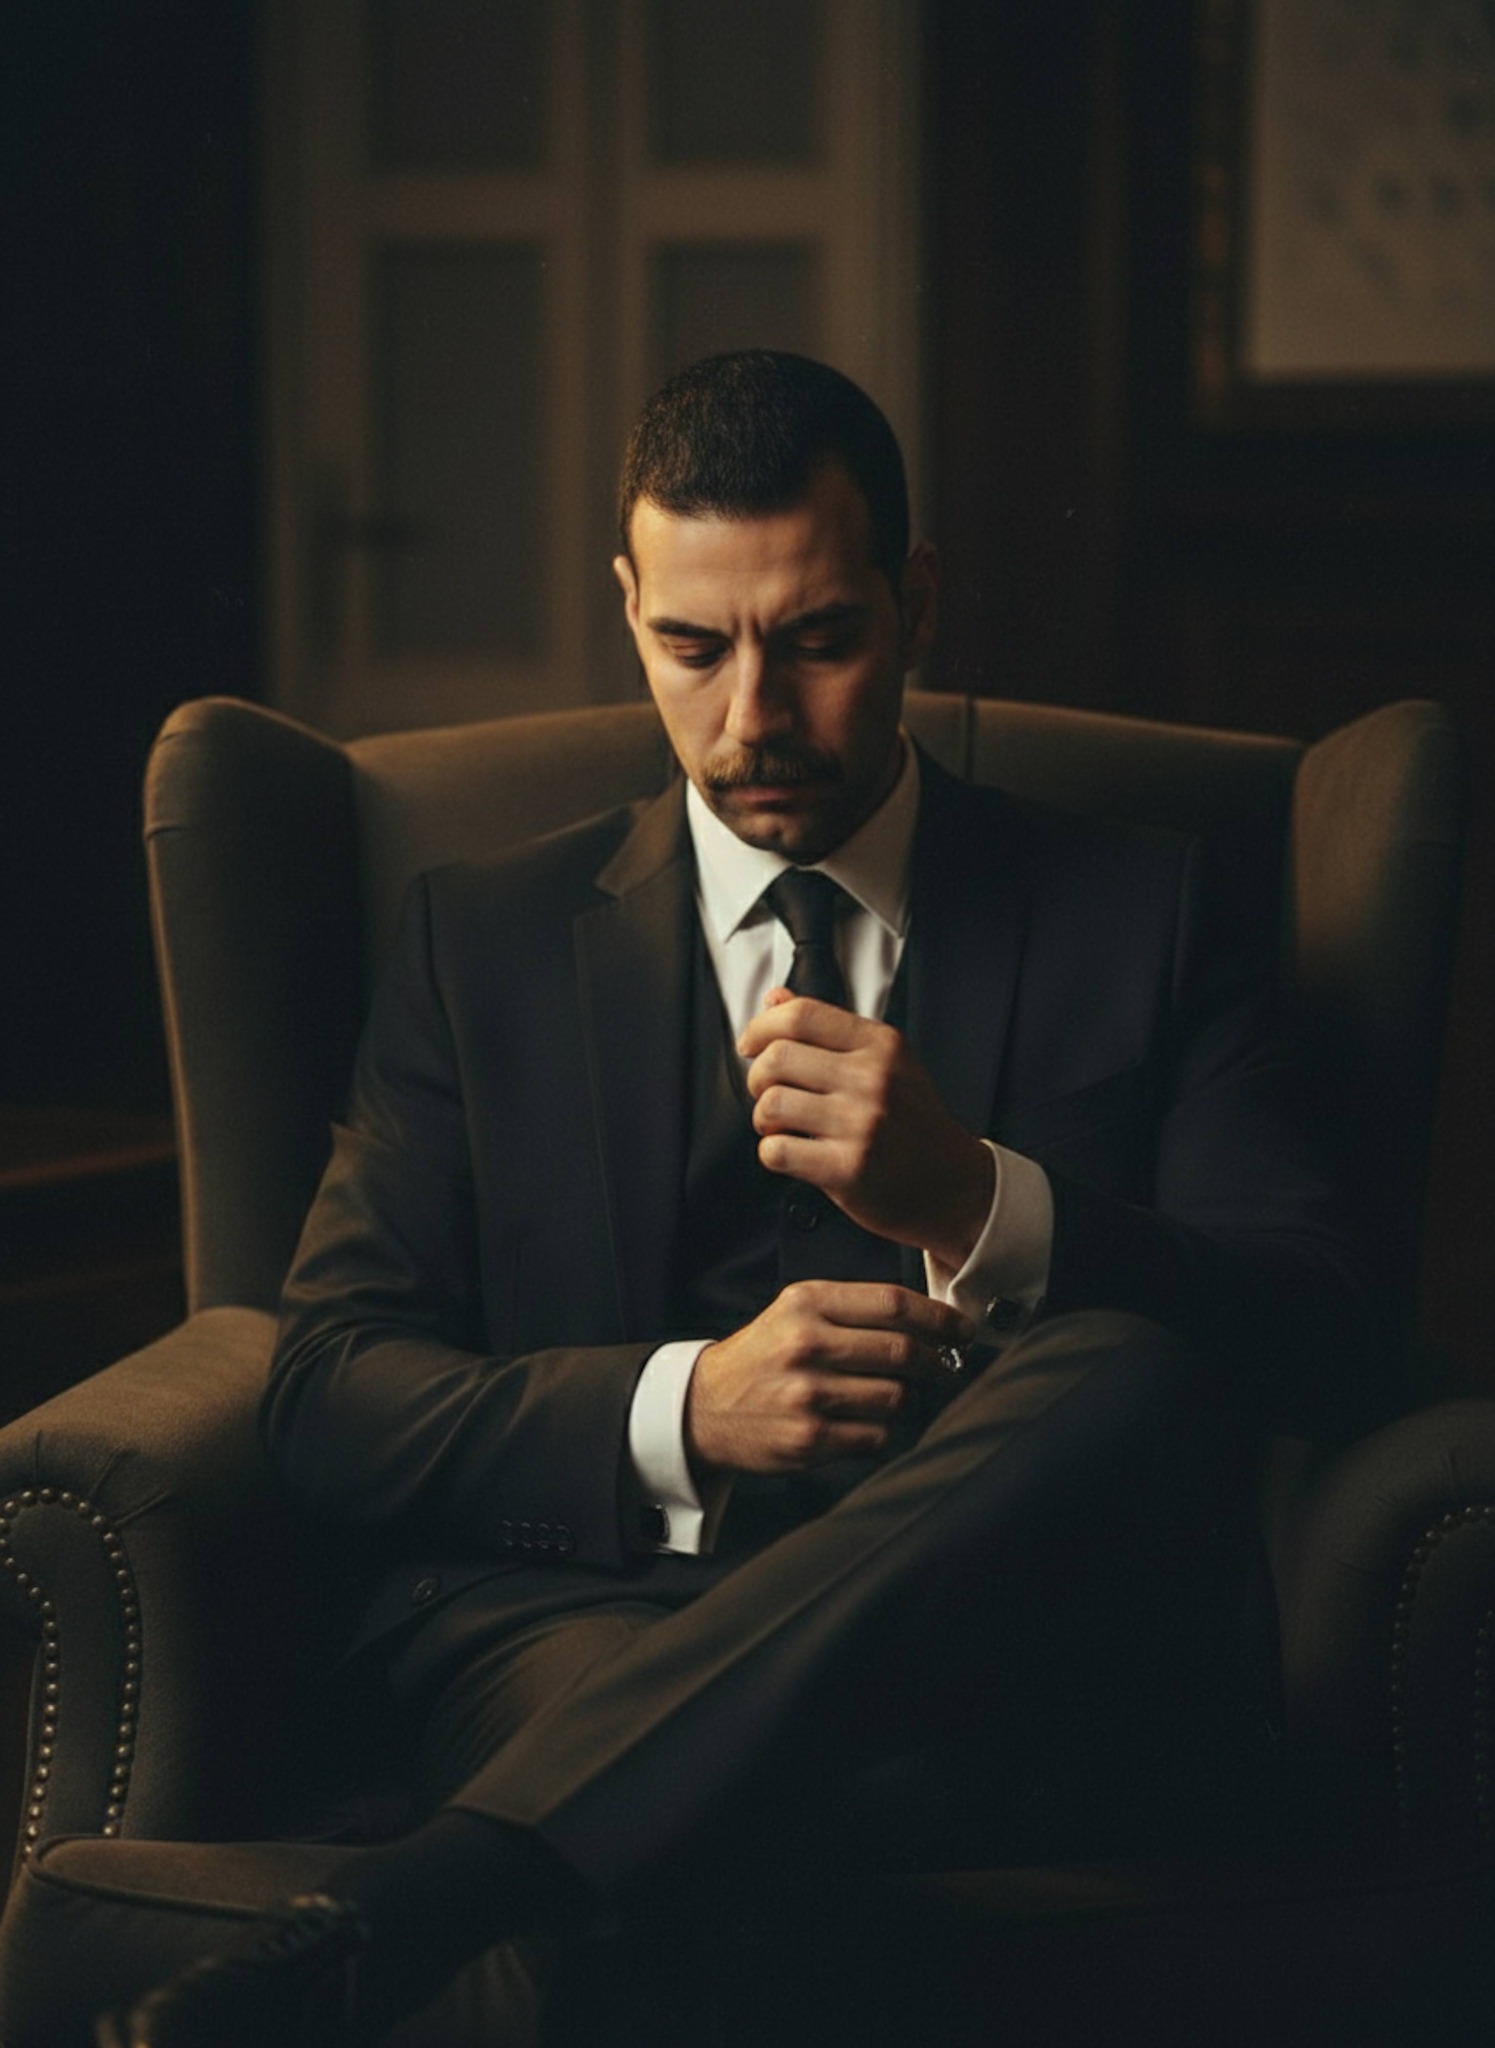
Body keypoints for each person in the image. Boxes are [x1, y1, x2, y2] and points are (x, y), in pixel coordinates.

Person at [105, 352, 1378, 2047]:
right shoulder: (475, 942)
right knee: (710, 1841)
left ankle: (420, 1902)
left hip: (1003, 1652)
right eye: (693, 648)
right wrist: (680, 1410)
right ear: (628, 608)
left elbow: (1318, 1330)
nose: (753, 716)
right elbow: (330, 1389)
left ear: (914, 604)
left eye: (820, 639)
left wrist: (979, 1198)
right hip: (573, 1631)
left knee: (1129, 1358)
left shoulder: (1141, 915)